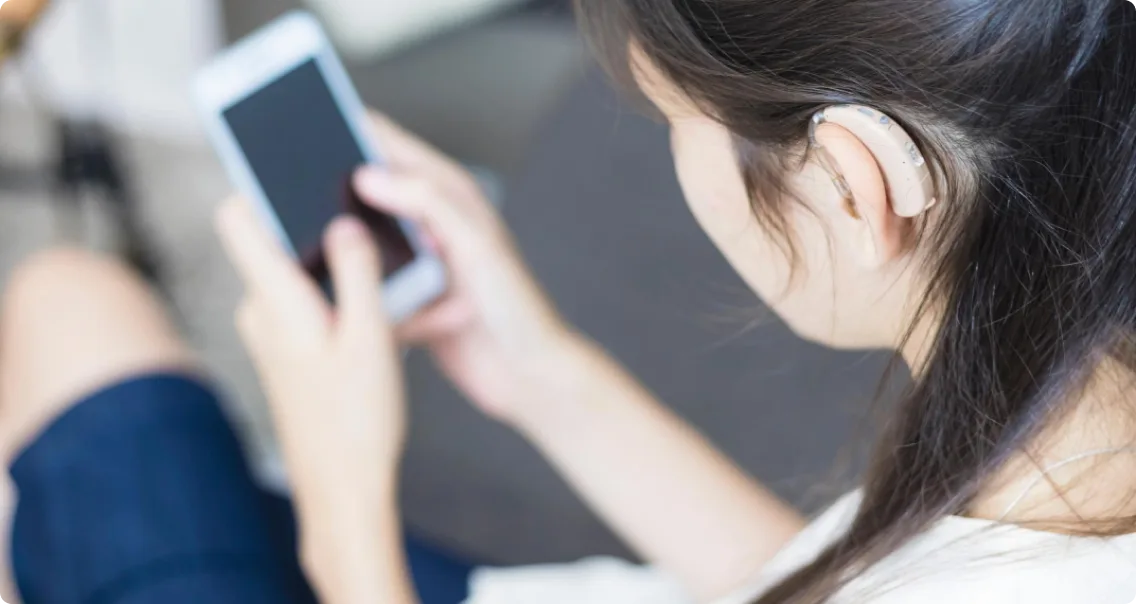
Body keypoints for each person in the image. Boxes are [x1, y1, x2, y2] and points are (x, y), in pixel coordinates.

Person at [3, 0, 1136, 603]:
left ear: (852, 184)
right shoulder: (1079, 417)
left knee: (67, 312)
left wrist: (342, 496)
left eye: (673, 125)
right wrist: (536, 370)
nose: (673, 163)